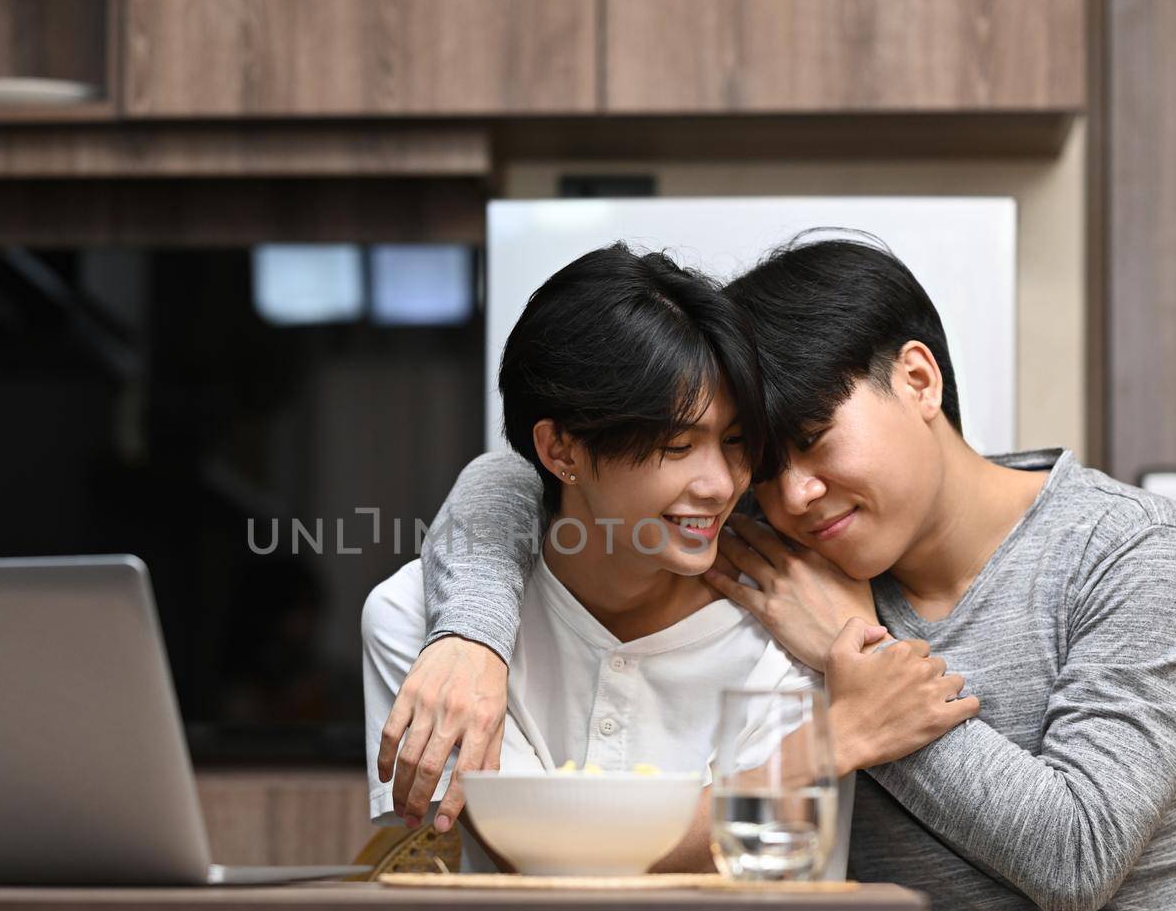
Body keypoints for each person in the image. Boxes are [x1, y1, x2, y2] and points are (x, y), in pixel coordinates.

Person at [384, 236, 1176, 911]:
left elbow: (1078, 856)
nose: (794, 494)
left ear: (919, 379)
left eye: (812, 441)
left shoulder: (1125, 547)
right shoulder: (790, 556)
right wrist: (472, 630)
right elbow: (513, 474)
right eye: (763, 465)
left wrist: (858, 656)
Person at [361, 242, 967, 873]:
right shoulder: (424, 628)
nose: (719, 484)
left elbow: (772, 884)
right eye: (677, 445)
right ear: (561, 450)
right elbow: (536, 853)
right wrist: (830, 742)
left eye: (736, 443)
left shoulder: (794, 627)